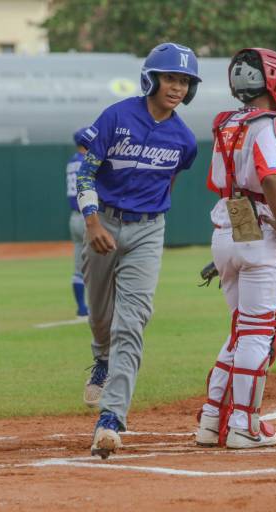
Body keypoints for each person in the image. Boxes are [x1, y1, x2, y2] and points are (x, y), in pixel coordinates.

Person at [76, 42, 200, 459]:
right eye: (171, 78)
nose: (177, 87)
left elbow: (169, 183)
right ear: (152, 79)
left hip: (148, 231)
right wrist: (93, 221)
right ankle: (101, 359)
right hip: (103, 222)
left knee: (132, 322)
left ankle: (111, 419)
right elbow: (86, 174)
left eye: (184, 81)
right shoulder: (116, 116)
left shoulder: (184, 139)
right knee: (100, 315)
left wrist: (149, 218)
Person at [194, 48, 276, 449]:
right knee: (258, 331)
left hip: (229, 221)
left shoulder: (228, 121)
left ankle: (210, 421)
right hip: (260, 225)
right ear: (270, 82)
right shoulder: (269, 125)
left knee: (241, 330)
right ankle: (244, 425)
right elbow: (271, 176)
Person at [66, 128, 91, 317]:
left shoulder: (72, 161)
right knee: (106, 263)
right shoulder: (87, 161)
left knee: (79, 267)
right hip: (88, 216)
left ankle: (82, 308)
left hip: (74, 217)